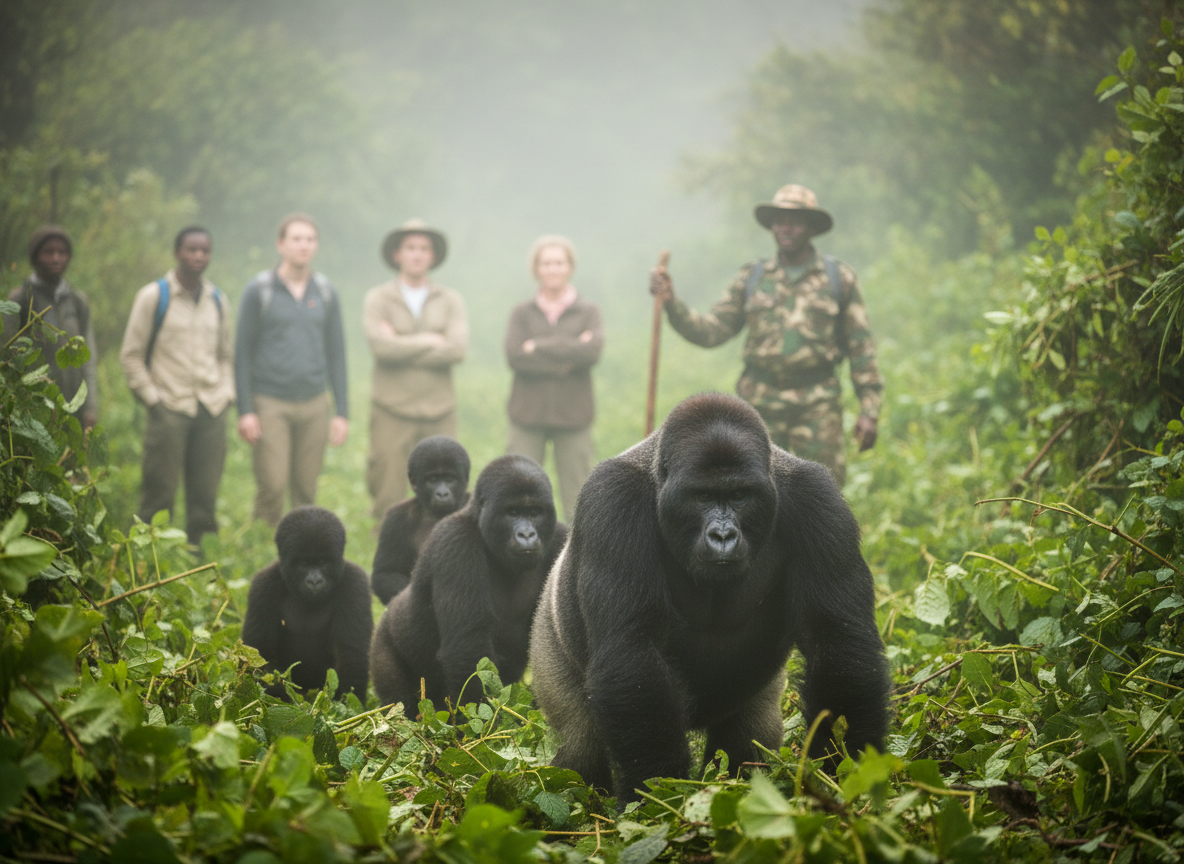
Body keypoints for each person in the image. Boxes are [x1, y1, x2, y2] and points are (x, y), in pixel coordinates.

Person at [649, 184, 882, 485]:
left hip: (818, 407)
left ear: (811, 227)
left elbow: (861, 348)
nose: (785, 227)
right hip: (758, 410)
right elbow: (712, 330)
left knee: (823, 496)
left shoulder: (839, 279)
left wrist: (870, 409)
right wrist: (671, 303)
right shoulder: (753, 277)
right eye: (779, 219)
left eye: (795, 220)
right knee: (753, 493)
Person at [120, 226, 233, 545]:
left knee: (206, 494)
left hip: (210, 408)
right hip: (168, 407)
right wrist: (153, 400)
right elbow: (131, 355)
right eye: (191, 249)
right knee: (159, 493)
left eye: (204, 250)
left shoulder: (218, 300)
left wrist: (226, 394)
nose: (199, 256)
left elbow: (226, 355)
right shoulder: (154, 296)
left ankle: (201, 558)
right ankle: (150, 555)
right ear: (177, 253)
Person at [234, 214, 349, 526]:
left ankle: (302, 550)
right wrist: (245, 410)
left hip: (314, 401)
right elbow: (241, 352)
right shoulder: (260, 290)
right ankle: (261, 547)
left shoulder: (325, 292)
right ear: (281, 244)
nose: (304, 246)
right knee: (272, 483)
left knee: (306, 488)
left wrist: (342, 411)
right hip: (270, 400)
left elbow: (337, 353)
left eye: (310, 239)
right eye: (297, 239)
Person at [363, 219, 468, 517]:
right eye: (410, 248)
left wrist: (401, 343)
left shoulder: (450, 300)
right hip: (391, 408)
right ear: (397, 254)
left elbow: (456, 349)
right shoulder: (379, 298)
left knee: (446, 491)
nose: (417, 254)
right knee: (387, 489)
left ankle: (441, 549)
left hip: (439, 410)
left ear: (432, 256)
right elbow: (380, 348)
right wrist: (430, 340)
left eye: (424, 248)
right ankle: (385, 549)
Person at [504, 235, 603, 520]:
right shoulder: (521, 312)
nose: (553, 269)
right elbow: (515, 357)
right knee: (518, 493)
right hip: (526, 416)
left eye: (559, 262)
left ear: (570, 267)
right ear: (536, 268)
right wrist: (570, 355)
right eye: (546, 263)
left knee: (579, 498)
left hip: (574, 417)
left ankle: (578, 560)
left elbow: (592, 353)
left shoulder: (588, 311)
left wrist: (538, 346)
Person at [2, 225, 99, 428]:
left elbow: (89, 359)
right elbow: (6, 359)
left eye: (62, 252)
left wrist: (91, 408)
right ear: (36, 257)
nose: (56, 258)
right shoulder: (19, 300)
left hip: (73, 410)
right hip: (32, 413)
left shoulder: (77, 301)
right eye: (49, 252)